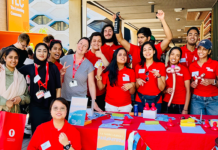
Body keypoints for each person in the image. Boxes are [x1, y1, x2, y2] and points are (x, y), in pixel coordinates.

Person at [19, 43, 61, 134]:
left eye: (44, 51)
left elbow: (58, 88)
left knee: (50, 133)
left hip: (51, 106)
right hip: (35, 107)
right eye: (39, 50)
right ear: (35, 53)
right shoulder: (30, 67)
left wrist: (57, 105)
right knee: (37, 133)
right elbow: (14, 72)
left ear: (48, 53)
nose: (42, 53)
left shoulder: (53, 67)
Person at [60, 37, 102, 112]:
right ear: (77, 44)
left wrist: (93, 100)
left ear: (87, 50)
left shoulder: (88, 65)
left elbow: (91, 84)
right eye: (81, 43)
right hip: (64, 99)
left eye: (85, 46)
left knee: (77, 123)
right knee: (64, 123)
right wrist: (61, 74)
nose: (82, 47)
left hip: (80, 101)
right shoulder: (64, 59)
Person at [96, 47, 135, 112]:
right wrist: (98, 76)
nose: (123, 56)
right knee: (111, 122)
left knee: (125, 122)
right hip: (110, 105)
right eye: (120, 55)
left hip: (126, 105)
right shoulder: (108, 71)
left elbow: (132, 92)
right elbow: (101, 88)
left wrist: (132, 85)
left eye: (124, 55)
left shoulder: (131, 71)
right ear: (115, 57)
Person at [135, 42, 166, 113]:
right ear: (142, 52)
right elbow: (136, 87)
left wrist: (158, 76)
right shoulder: (138, 66)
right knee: (140, 121)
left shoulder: (161, 65)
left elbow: (162, 88)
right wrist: (137, 81)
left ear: (154, 51)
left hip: (156, 100)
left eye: (149, 49)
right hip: (140, 99)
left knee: (155, 122)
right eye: (144, 50)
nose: (147, 52)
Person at [189, 39, 218, 115]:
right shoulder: (192, 66)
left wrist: (212, 81)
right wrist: (192, 84)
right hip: (196, 99)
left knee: (214, 123)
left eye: (204, 49)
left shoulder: (215, 64)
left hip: (213, 99)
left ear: (209, 52)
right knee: (197, 123)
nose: (201, 51)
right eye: (199, 48)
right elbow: (190, 81)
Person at [0, 47, 30, 113]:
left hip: (15, 115)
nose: (13, 60)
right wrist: (5, 102)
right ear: (5, 58)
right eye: (10, 57)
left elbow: (28, 97)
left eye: (16, 58)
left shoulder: (20, 77)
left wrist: (21, 98)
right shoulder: (0, 74)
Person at [85, 32, 109, 111]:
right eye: (94, 41)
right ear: (90, 42)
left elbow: (109, 69)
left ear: (102, 43)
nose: (96, 43)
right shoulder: (85, 55)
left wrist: (101, 56)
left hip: (101, 93)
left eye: (99, 41)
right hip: (87, 93)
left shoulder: (105, 55)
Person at [162, 47, 191, 114]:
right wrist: (166, 91)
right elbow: (160, 89)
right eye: (172, 54)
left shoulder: (184, 70)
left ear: (180, 58)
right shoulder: (164, 69)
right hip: (167, 102)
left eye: (177, 55)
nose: (174, 57)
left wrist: (185, 109)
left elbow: (188, 90)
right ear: (169, 56)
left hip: (181, 104)